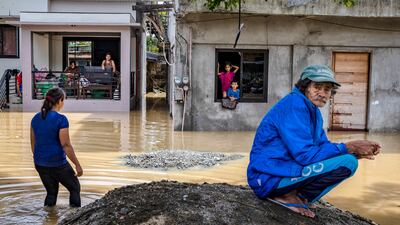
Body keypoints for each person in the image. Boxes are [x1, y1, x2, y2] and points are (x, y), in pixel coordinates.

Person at [247, 65, 381, 218]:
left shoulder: (314, 112)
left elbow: (322, 146)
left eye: (327, 89)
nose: (322, 93)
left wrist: (354, 151)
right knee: (347, 162)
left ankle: (299, 196)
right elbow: (305, 155)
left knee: (349, 161)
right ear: (305, 87)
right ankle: (285, 196)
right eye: (317, 87)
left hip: (286, 170)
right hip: (268, 177)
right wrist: (348, 147)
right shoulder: (294, 104)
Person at [30, 87, 83, 207]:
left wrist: (40, 159)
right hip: (58, 164)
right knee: (74, 188)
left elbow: (33, 143)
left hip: (40, 163)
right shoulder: (61, 119)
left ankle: (49, 218)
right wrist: (77, 165)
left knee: (51, 193)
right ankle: (74, 217)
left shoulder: (35, 118)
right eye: (63, 100)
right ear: (59, 101)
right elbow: (66, 145)